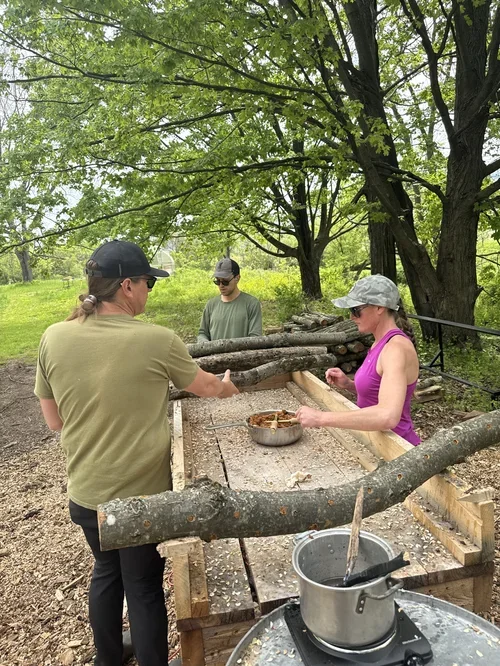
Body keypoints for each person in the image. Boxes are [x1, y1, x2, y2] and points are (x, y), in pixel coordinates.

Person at [34, 240, 239, 666]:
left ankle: (108, 659)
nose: (149, 290)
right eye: (147, 282)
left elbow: (54, 422)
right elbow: (207, 387)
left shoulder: (53, 337)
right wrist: (227, 385)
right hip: (141, 499)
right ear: (127, 285)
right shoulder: (156, 340)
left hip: (87, 494)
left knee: (106, 574)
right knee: (143, 585)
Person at [295, 274, 421, 445]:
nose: (351, 317)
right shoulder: (379, 343)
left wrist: (321, 417)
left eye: (356, 310)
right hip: (378, 443)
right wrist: (349, 385)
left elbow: (388, 416)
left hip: (398, 448)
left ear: (379, 308)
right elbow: (380, 393)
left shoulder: (395, 349)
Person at [197, 258, 262, 342]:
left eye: (225, 282)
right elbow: (203, 333)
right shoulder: (211, 304)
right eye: (217, 281)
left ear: (237, 278)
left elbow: (255, 337)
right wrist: (205, 344)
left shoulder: (251, 304)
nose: (221, 285)